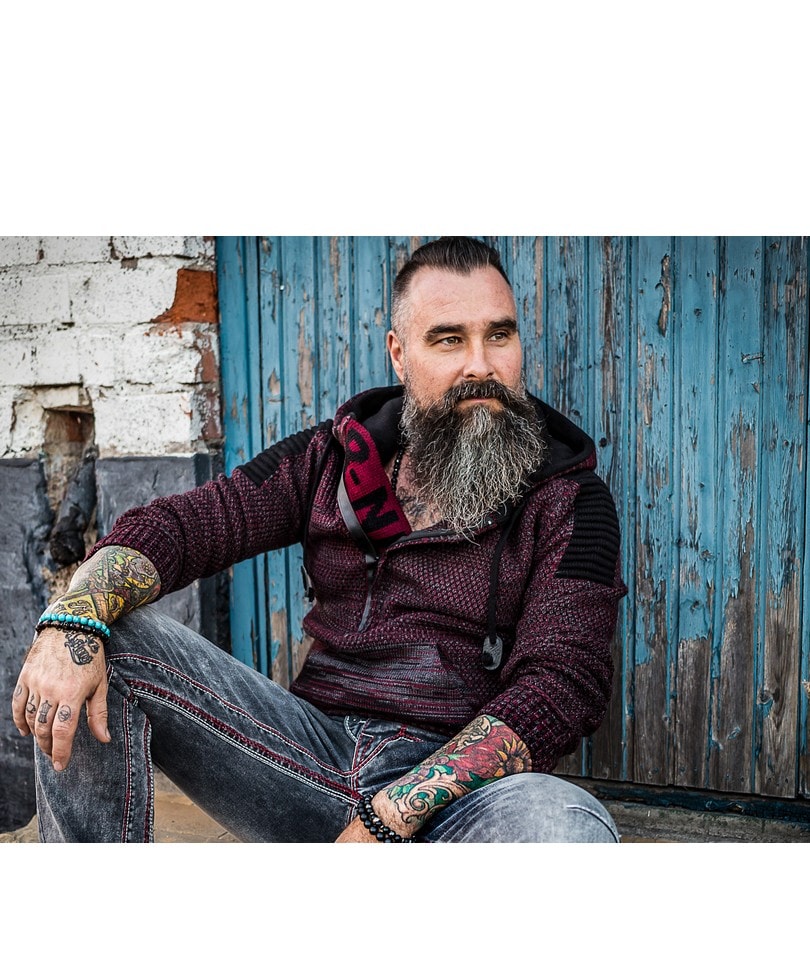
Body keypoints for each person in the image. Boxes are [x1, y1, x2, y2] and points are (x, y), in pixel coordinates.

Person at [11, 237, 627, 843]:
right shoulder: (329, 460)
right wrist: (69, 620)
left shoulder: (571, 500)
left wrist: (391, 817)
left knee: (565, 822)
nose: (480, 366)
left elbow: (561, 684)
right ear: (399, 354)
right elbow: (183, 526)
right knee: (99, 634)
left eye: (499, 335)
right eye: (448, 339)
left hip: (458, 800)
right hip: (306, 762)